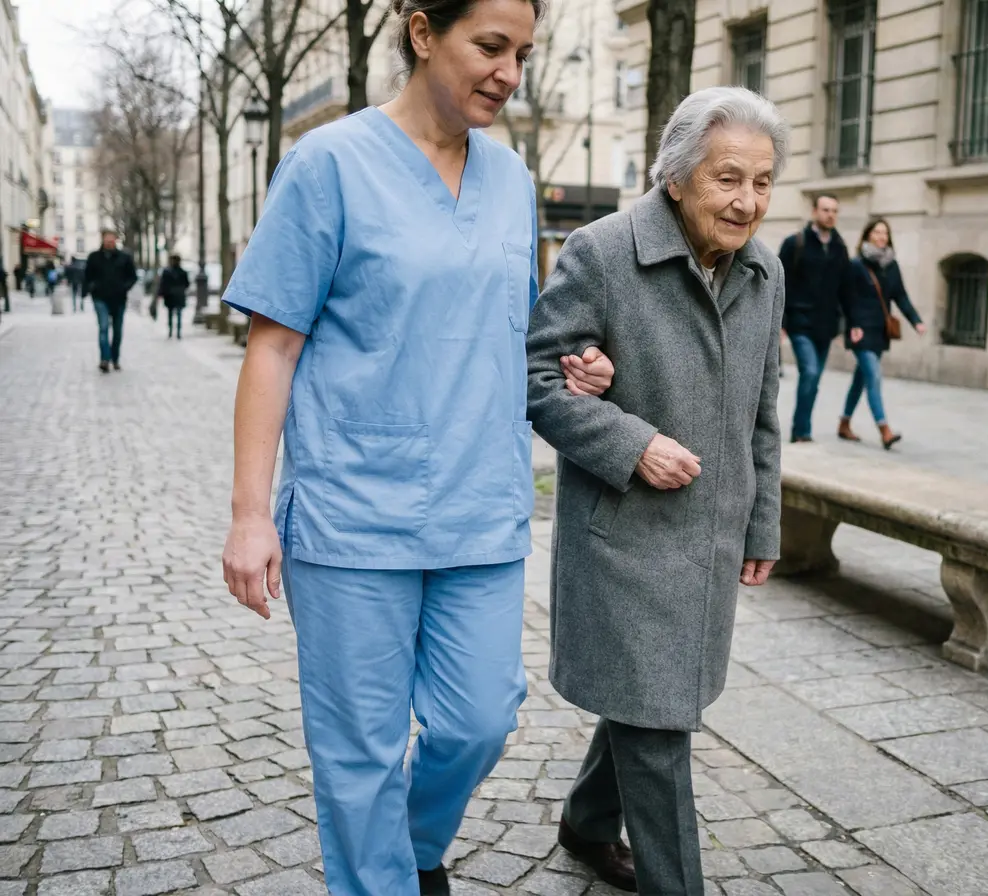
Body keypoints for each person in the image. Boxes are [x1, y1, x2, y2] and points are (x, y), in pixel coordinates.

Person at [217, 2, 614, 894]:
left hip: (480, 501)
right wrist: (250, 515)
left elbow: (517, 335)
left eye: (522, 53)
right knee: (357, 750)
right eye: (490, 46)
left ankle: (409, 848)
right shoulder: (327, 166)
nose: (510, 72)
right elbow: (273, 346)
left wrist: (569, 370)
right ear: (422, 31)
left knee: (481, 717)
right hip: (353, 508)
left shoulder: (511, 180)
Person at [526, 86, 787, 895]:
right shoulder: (601, 253)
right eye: (728, 178)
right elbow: (538, 380)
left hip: (710, 540)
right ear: (675, 177)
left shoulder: (765, 270)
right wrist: (633, 445)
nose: (748, 201)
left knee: (651, 703)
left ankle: (587, 820)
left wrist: (763, 523)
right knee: (660, 728)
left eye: (764, 181)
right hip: (626, 543)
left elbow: (763, 410)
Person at [840, 217, 926, 448]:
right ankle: (884, 429)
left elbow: (901, 296)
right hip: (860, 330)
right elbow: (848, 298)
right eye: (877, 232)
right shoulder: (857, 264)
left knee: (862, 379)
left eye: (884, 233)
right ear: (868, 235)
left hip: (879, 332)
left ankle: (844, 423)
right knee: (874, 376)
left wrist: (916, 321)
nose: (881, 237)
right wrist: (853, 325)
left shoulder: (891, 265)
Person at [778, 193, 851, 443]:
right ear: (814, 212)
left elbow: (845, 290)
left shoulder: (840, 248)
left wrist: (845, 325)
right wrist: (781, 322)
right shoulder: (794, 243)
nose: (830, 215)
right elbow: (780, 284)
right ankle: (802, 432)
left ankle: (801, 428)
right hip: (800, 323)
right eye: (826, 210)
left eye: (834, 211)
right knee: (809, 373)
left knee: (814, 379)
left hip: (826, 327)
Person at [84, 230, 138, 373]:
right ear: (102, 240)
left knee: (117, 331)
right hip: (100, 298)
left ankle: (115, 359)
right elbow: (87, 276)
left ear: (116, 241)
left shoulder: (124, 258)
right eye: (107, 241)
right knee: (103, 327)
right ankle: (105, 359)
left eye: (112, 241)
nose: (109, 243)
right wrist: (92, 288)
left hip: (119, 299)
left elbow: (133, 277)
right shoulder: (94, 257)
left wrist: (124, 288)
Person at [157, 255, 190, 339]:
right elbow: (187, 284)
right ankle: (176, 332)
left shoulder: (167, 272)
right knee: (176, 314)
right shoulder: (182, 272)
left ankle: (172, 331)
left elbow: (162, 284)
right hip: (176, 295)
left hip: (171, 296)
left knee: (172, 314)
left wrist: (161, 293)